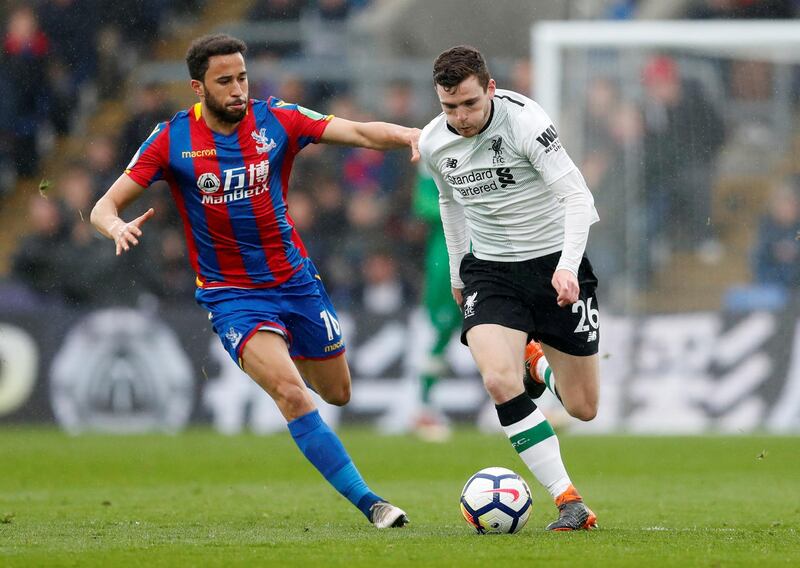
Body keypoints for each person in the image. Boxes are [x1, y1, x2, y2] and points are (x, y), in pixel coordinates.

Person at [90, 34, 420, 529]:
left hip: (295, 282)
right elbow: (103, 205)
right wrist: (115, 225)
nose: (238, 89)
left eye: (241, 77)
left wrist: (413, 135)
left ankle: (292, 357)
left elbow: (358, 132)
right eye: (225, 81)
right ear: (197, 87)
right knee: (291, 392)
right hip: (232, 297)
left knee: (338, 392)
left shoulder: (278, 118)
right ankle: (370, 503)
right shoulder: (170, 139)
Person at [418, 45, 600, 531]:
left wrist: (566, 266)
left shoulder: (526, 124)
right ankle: (569, 501)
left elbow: (578, 198)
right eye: (449, 107)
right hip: (491, 272)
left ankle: (536, 358)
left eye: (470, 104)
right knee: (499, 381)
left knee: (583, 408)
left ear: (491, 88)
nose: (460, 117)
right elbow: (450, 206)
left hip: (554, 264)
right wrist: (459, 272)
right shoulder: (436, 142)